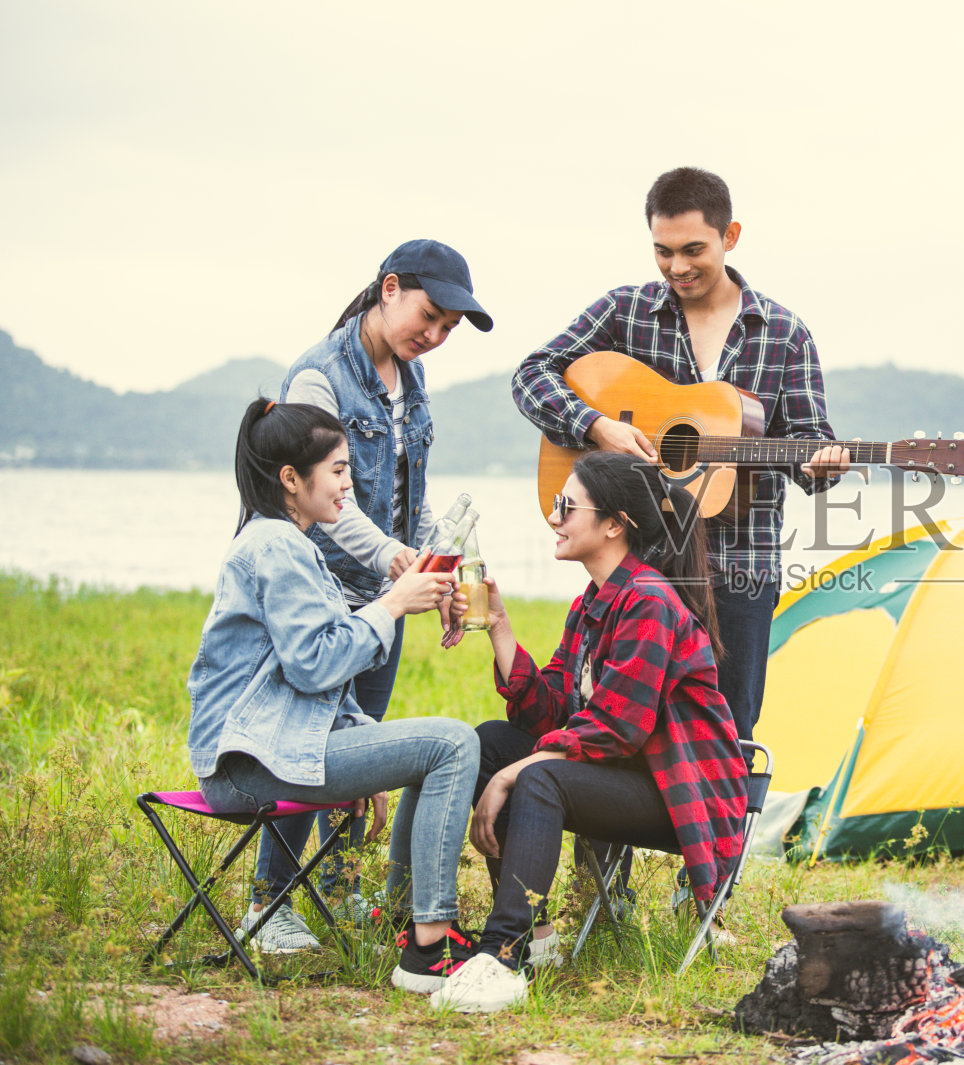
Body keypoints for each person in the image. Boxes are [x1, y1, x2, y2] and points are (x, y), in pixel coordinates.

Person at [512, 167, 850, 748]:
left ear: (731, 236)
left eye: (693, 249)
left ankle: (712, 839)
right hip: (636, 557)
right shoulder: (625, 311)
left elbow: (806, 442)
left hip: (741, 566)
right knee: (603, 717)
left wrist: (821, 466)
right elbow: (532, 374)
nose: (677, 267)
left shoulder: (785, 334)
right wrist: (596, 427)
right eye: (662, 252)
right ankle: (601, 833)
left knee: (727, 732)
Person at [429, 450, 748, 1014]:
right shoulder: (594, 602)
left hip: (676, 793)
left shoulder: (649, 600)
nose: (554, 517)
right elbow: (549, 712)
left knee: (537, 776)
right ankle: (538, 941)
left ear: (613, 524)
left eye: (567, 506)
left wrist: (517, 773)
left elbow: (617, 728)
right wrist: (499, 626)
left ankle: (500, 952)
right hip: (621, 775)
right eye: (557, 505)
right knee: (487, 743)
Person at [247, 239, 493, 952]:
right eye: (431, 314)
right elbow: (334, 501)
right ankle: (268, 905)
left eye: (449, 327)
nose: (437, 335)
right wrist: (394, 563)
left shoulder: (411, 385)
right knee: (304, 749)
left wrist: (432, 572)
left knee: (361, 750)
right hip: (317, 598)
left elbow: (409, 503)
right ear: (390, 288)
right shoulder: (319, 377)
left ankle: (339, 890)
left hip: (384, 601)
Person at [187, 399, 480, 994]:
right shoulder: (276, 545)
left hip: (271, 754)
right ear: (291, 480)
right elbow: (314, 662)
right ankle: (430, 945)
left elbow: (309, 680)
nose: (352, 483)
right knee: (452, 743)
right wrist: (393, 602)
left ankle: (408, 922)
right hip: (251, 766)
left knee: (435, 747)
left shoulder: (293, 544)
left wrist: (358, 748)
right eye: (340, 470)